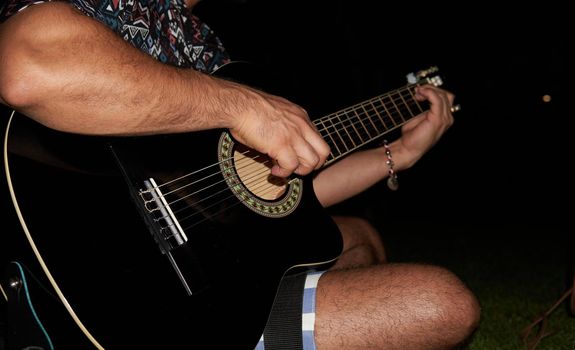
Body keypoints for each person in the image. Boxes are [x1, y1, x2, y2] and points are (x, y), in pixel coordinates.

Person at [0, 0, 480, 349]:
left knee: (358, 238)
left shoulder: (203, 46)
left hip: (195, 271)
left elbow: (280, 198)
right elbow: (27, 67)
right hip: (98, 275)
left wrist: (398, 153)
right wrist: (244, 104)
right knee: (441, 303)